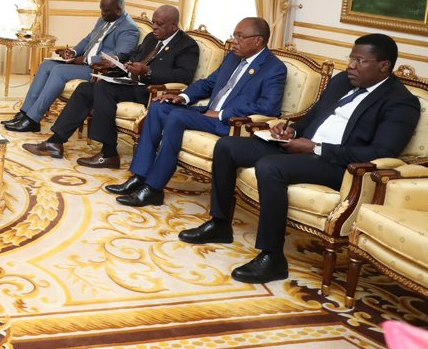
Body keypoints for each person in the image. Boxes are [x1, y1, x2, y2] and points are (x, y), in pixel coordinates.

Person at [179, 33, 419, 284]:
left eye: (360, 61)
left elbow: (380, 152)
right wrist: (291, 130)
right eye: (351, 58)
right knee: (227, 146)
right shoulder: (341, 82)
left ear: (384, 66)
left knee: (270, 167)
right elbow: (312, 118)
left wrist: (316, 148)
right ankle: (219, 223)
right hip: (301, 147)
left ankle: (272, 257)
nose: (351, 65)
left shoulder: (400, 102)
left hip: (339, 166)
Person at [106, 17, 286, 207]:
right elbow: (209, 83)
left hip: (230, 124)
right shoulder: (234, 57)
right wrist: (182, 97)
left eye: (240, 37)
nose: (234, 41)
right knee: (159, 106)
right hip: (208, 114)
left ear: (258, 40)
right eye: (234, 35)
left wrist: (222, 114)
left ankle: (153, 188)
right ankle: (140, 176)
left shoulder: (274, 69)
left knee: (177, 116)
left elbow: (268, 108)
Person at [22, 5, 199, 167]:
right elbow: (136, 55)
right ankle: (55, 141)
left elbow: (184, 76)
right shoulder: (152, 38)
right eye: (153, 23)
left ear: (173, 26)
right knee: (85, 88)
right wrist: (122, 63)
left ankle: (109, 153)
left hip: (151, 91)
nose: (154, 27)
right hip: (130, 82)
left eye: (159, 24)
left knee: (103, 87)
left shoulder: (187, 46)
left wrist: (149, 72)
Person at [4, 0, 140, 133]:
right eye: (101, 9)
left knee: (59, 71)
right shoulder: (103, 20)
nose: (102, 14)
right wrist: (73, 52)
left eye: (105, 11)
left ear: (118, 9)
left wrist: (85, 59)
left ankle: (33, 119)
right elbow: (88, 40)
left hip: (96, 70)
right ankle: (25, 113)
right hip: (82, 62)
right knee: (46, 65)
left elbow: (119, 56)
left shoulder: (129, 28)